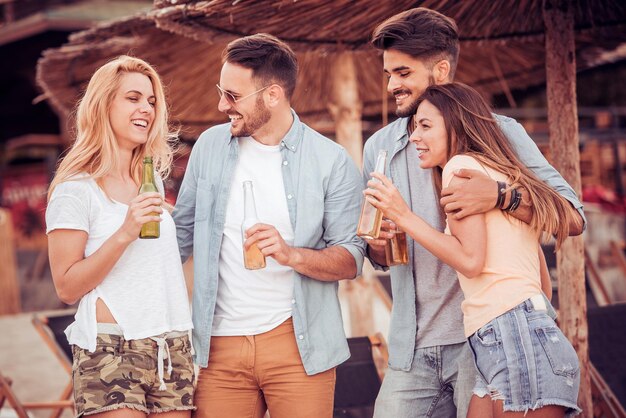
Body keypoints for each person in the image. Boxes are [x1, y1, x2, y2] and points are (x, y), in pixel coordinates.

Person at [363, 8, 585, 418]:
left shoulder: (497, 133)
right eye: (388, 74)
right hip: (412, 346)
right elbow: (379, 257)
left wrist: (502, 196)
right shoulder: (378, 149)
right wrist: (377, 247)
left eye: (403, 72)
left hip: (484, 340)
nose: (392, 84)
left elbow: (572, 216)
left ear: (441, 71)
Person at [172, 33, 365, 418]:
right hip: (219, 346)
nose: (221, 104)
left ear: (273, 95)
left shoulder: (332, 162)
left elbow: (351, 260)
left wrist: (292, 255)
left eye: (232, 96)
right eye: (220, 91)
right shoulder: (209, 147)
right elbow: (179, 236)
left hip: (299, 344)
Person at [46, 56, 195, 417]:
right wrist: (124, 233)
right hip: (112, 348)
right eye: (133, 98)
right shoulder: (75, 190)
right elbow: (66, 288)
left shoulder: (151, 182)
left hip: (171, 345)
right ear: (103, 106)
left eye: (151, 101)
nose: (146, 108)